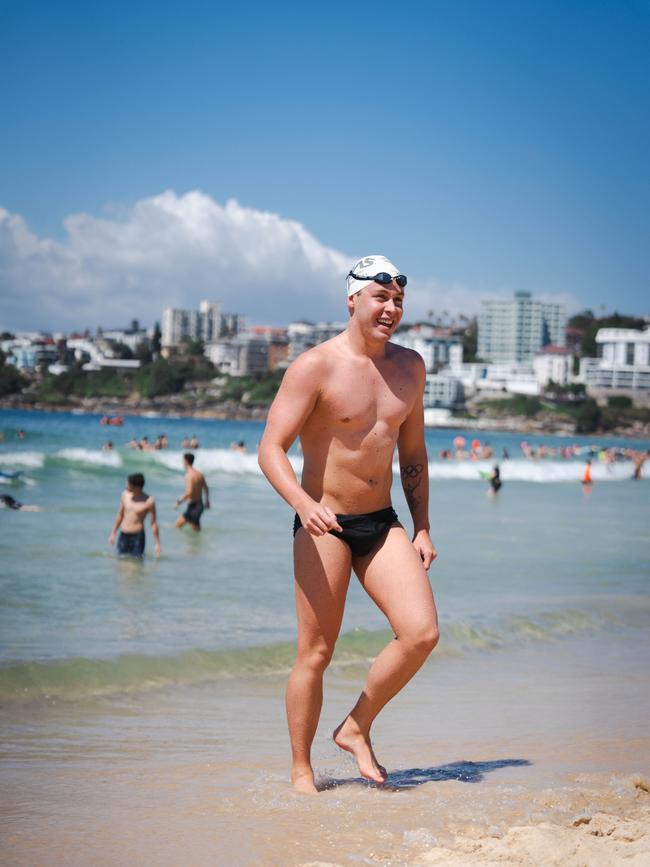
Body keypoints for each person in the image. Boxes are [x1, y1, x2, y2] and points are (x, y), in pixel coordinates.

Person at [258, 254, 439, 794]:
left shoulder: (410, 368)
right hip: (324, 524)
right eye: (381, 298)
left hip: (383, 523)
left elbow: (414, 454)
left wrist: (422, 525)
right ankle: (300, 771)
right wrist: (301, 502)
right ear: (353, 300)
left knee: (422, 632)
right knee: (315, 652)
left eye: (398, 301)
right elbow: (270, 448)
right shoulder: (315, 365)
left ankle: (356, 725)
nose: (391, 309)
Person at [108, 473, 160, 557]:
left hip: (138, 536)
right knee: (120, 560)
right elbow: (120, 515)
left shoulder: (149, 501)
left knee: (136, 563)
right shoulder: (125, 495)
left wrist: (157, 543)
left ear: (137, 487)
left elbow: (153, 523)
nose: (126, 485)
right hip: (123, 534)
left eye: (128, 484)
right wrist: (113, 533)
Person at [175, 453, 210, 531]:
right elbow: (206, 488)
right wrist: (207, 501)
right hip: (199, 505)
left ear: (186, 461)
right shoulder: (200, 474)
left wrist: (179, 501)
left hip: (194, 507)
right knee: (196, 530)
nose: (182, 463)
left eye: (183, 461)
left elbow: (189, 491)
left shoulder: (189, 475)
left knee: (178, 525)